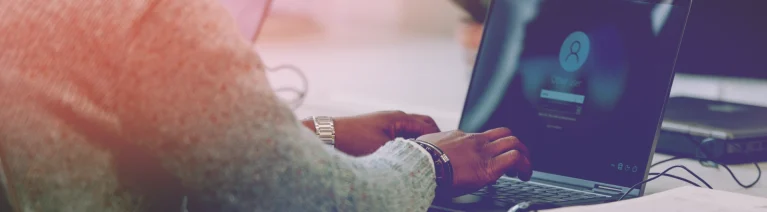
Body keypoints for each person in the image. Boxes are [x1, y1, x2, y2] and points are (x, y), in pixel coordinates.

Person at [0, 0, 532, 211]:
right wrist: (432, 162)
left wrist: (318, 132)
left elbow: (197, 142)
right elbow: (329, 203)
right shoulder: (153, 15)